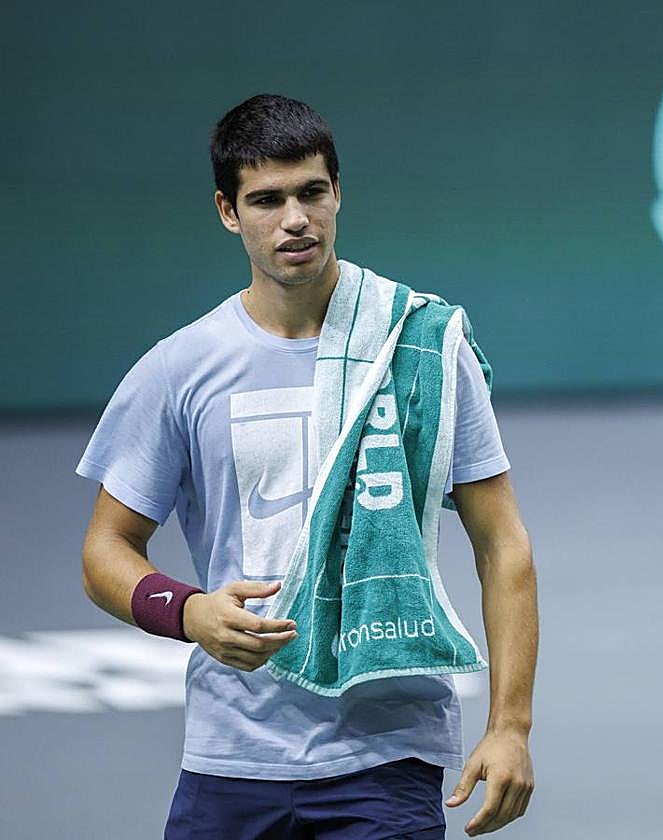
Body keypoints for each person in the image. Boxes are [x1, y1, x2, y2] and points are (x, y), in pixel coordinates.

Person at [77, 94, 538, 839]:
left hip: (386, 755)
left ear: (337, 193)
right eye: (266, 200)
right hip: (233, 756)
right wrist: (189, 611)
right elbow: (104, 551)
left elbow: (503, 544)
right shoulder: (178, 368)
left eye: (311, 193)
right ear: (228, 211)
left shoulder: (420, 345)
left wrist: (510, 725)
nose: (294, 219)